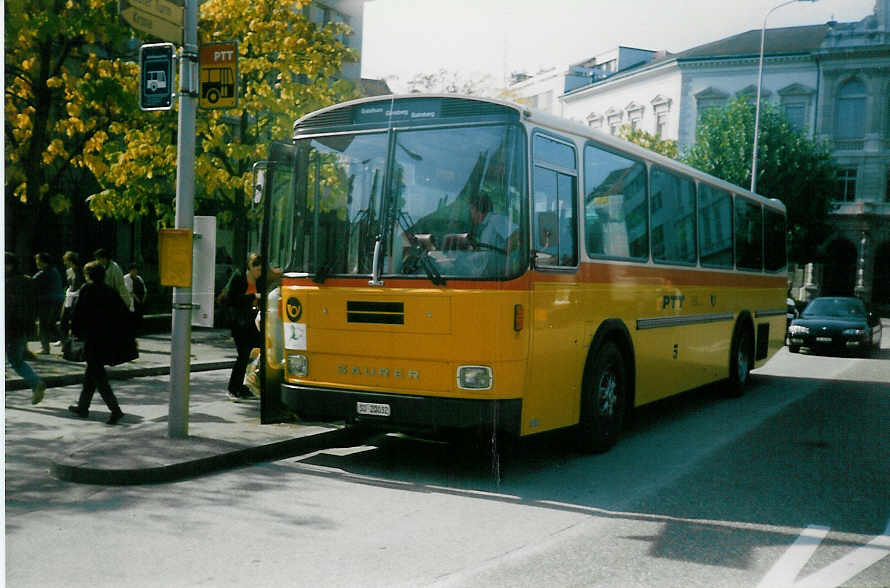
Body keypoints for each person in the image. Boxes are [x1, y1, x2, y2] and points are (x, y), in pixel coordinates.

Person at [68, 261, 129, 425]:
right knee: (91, 373)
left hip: (92, 338)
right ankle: (83, 407)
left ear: (88, 275)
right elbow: (123, 314)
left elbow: (78, 313)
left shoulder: (87, 289)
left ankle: (115, 410)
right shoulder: (110, 291)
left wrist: (74, 331)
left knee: (98, 376)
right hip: (106, 338)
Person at [220, 253, 265, 402]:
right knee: (243, 355)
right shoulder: (239, 278)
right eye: (257, 269)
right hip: (238, 323)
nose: (259, 272)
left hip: (252, 322)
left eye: (261, 269)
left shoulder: (259, 281)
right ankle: (233, 389)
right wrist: (253, 297)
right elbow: (232, 300)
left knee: (254, 354)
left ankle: (245, 387)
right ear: (250, 267)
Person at [5, 253, 47, 404]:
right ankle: (35, 382)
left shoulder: (7, 282)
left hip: (9, 327)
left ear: (9, 265)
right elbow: (34, 305)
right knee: (17, 361)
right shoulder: (28, 280)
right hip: (22, 328)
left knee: (15, 360)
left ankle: (35, 382)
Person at [32, 252, 65, 354]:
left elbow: (31, 282)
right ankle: (66, 343)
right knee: (51, 324)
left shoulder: (43, 273)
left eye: (38, 260)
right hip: (57, 300)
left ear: (43, 262)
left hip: (47, 301)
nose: (36, 262)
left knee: (43, 324)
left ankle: (45, 348)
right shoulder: (54, 270)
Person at [59, 250, 85, 335]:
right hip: (70, 295)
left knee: (75, 317)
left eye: (66, 260)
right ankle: (64, 336)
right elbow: (69, 284)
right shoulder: (68, 271)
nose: (64, 263)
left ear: (70, 260)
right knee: (64, 316)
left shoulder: (81, 270)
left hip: (78, 295)